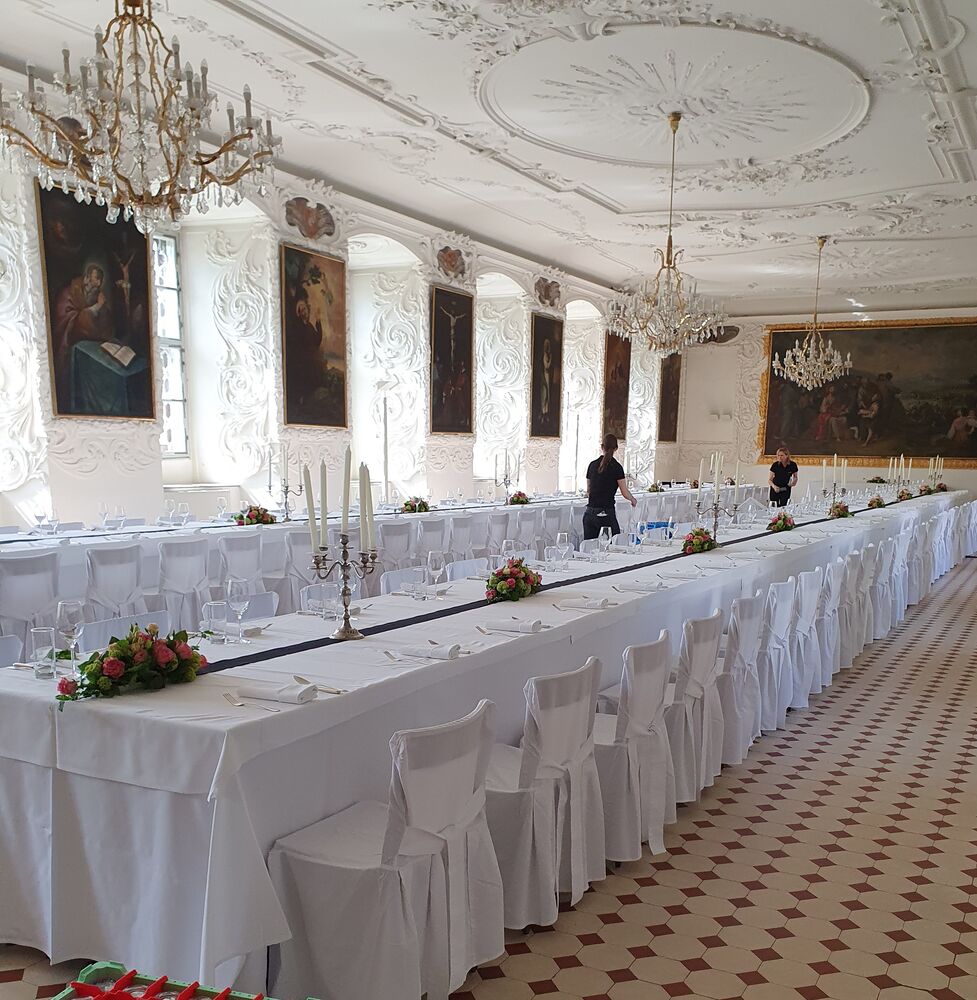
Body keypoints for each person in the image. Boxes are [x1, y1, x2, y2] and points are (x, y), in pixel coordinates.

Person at [584, 434, 637, 540]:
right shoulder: (617, 467)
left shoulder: (592, 465)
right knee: (614, 544)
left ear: (602, 447)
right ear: (616, 448)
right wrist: (632, 499)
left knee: (590, 546)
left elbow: (589, 490)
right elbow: (624, 492)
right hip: (606, 513)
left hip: (590, 513)